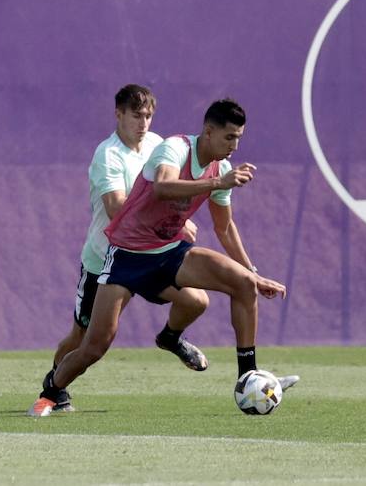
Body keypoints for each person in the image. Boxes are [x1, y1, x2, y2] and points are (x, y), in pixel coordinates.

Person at [30, 99, 299, 417]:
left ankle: (248, 375)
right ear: (209, 132)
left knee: (242, 284)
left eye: (239, 138)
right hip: (127, 257)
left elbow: (224, 228)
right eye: (229, 137)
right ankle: (50, 391)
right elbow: (163, 187)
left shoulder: (222, 169)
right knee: (95, 345)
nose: (234, 146)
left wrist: (253, 272)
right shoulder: (176, 147)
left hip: (169, 253)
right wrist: (217, 183)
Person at [48, 84, 211, 397]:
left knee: (196, 300)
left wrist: (180, 219)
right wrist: (173, 225)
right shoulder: (107, 155)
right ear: (118, 114)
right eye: (136, 116)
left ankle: (171, 338)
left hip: (150, 255)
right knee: (84, 339)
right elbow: (115, 209)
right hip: (107, 262)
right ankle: (54, 387)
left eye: (148, 116)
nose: (144, 123)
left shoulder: (157, 144)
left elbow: (172, 191)